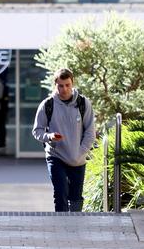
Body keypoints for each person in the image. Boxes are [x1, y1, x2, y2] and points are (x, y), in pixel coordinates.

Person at [32, 67, 96, 212]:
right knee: (60, 193)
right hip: (56, 156)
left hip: (78, 158)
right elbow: (37, 131)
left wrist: (81, 152)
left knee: (75, 197)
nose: (64, 89)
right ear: (55, 85)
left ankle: (75, 226)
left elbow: (90, 133)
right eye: (61, 85)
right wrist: (49, 137)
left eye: (67, 85)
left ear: (72, 83)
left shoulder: (83, 104)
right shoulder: (47, 105)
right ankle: (61, 228)